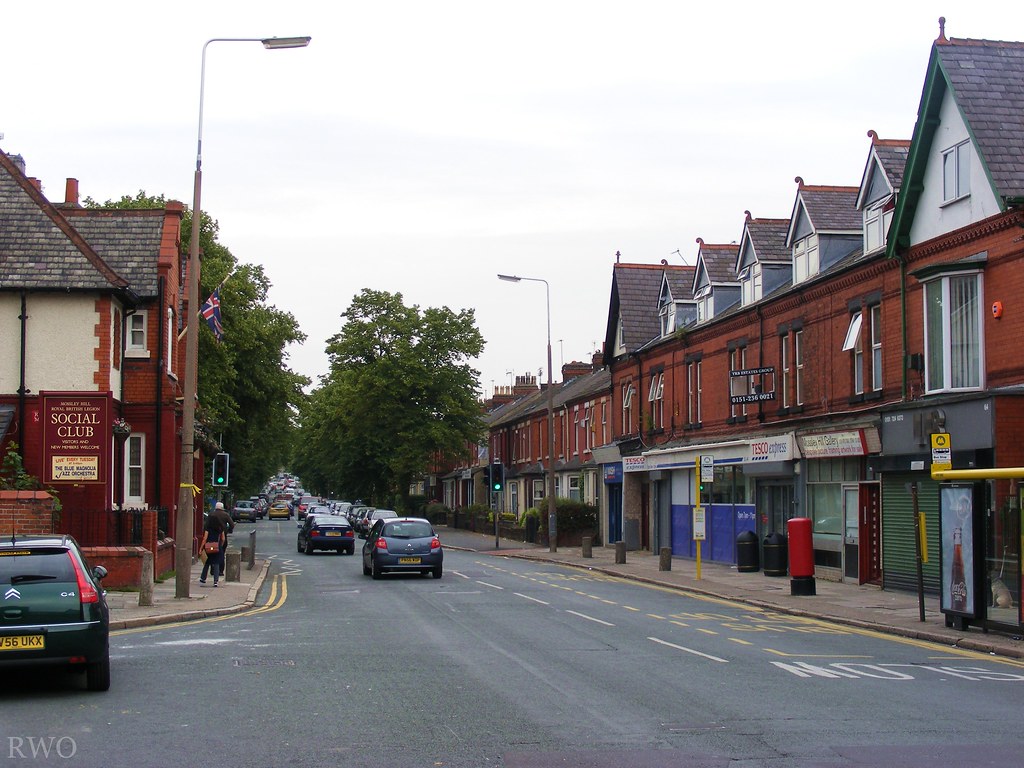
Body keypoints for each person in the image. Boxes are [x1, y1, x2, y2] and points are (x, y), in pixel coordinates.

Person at [198, 514, 226, 586]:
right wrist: (220, 545)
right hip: (217, 546)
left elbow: (205, 539)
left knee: (207, 562)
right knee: (216, 563)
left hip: (208, 547)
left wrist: (201, 548)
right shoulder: (220, 528)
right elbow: (223, 538)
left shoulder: (208, 528)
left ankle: (203, 578)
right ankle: (216, 581)